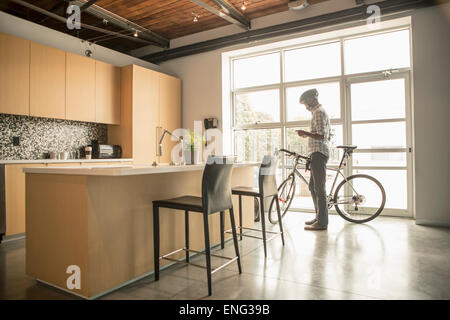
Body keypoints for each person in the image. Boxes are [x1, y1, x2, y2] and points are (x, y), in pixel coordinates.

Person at [296, 88, 330, 231]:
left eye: (305, 103)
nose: (305, 106)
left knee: (319, 189)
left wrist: (306, 133)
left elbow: (321, 136)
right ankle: (318, 216)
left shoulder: (318, 112)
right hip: (316, 154)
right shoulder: (318, 112)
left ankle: (322, 222)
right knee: (312, 187)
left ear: (310, 100)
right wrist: (308, 135)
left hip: (318, 154)